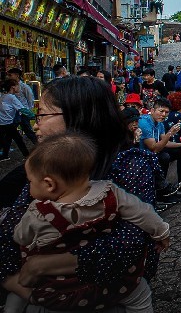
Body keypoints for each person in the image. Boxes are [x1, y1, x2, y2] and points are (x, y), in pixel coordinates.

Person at [0, 77, 159, 309]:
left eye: (41, 115)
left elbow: (130, 244)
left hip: (110, 296)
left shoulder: (128, 166)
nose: (36, 125)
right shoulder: (40, 167)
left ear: (78, 117)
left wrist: (44, 264)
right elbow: (12, 233)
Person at [4, 133, 170, 313]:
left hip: (64, 291)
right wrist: (162, 233)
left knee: (20, 295)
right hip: (114, 281)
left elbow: (21, 237)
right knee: (141, 295)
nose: (29, 187)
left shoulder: (38, 213)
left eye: (30, 181)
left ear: (49, 184)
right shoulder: (111, 192)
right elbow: (144, 213)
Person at [137, 100, 181, 195]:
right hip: (143, 153)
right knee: (164, 157)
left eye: (166, 112)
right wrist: (170, 133)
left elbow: (165, 142)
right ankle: (161, 190)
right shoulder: (145, 123)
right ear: (152, 110)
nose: (163, 115)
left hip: (155, 150)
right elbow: (154, 148)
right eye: (161, 111)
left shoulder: (160, 123)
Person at [0, 80, 29, 161]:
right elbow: (22, 109)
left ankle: (5, 155)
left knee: (8, 139)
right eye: (17, 85)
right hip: (8, 123)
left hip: (3, 123)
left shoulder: (3, 96)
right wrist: (33, 115)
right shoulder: (11, 97)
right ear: (13, 87)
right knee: (18, 140)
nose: (19, 87)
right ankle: (27, 155)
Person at [6, 69, 36, 145]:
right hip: (13, 113)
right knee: (11, 131)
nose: (9, 77)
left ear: (17, 75)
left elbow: (30, 99)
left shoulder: (24, 87)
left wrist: (28, 111)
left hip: (23, 113)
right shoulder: (9, 87)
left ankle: (38, 145)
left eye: (10, 75)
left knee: (28, 130)